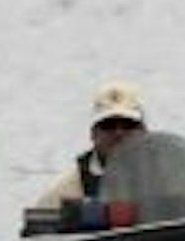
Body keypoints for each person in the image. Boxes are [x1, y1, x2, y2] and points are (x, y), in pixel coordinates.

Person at [31, 80, 147, 209]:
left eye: (128, 125)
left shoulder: (167, 177)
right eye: (108, 125)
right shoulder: (64, 194)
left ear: (144, 131)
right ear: (93, 134)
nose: (118, 133)